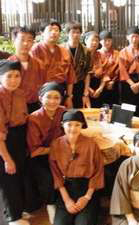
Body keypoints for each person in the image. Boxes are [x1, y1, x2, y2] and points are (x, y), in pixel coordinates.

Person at [49, 110, 104, 225]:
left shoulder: (91, 144)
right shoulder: (56, 144)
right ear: (62, 124)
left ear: (82, 126)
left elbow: (98, 172)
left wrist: (86, 198)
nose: (73, 129)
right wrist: (66, 200)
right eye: (69, 124)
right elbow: (56, 174)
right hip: (66, 188)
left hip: (87, 188)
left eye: (77, 125)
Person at [26, 82, 66, 224]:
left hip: (60, 153)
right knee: (49, 180)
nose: (52, 101)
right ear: (41, 98)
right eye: (48, 97)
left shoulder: (63, 112)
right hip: (39, 157)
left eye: (57, 98)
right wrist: (57, 149)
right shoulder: (33, 118)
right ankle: (51, 208)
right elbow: (35, 151)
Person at [0, 60, 29, 225]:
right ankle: (13, 218)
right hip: (4, 141)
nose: (13, 79)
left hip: (19, 136)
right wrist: (6, 158)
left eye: (17, 76)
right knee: (8, 177)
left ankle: (17, 212)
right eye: (9, 76)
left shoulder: (19, 93)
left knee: (17, 176)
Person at [30, 21, 75, 109]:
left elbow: (70, 76)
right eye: (50, 30)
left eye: (57, 30)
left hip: (61, 91)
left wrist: (69, 97)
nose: (54, 33)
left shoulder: (64, 51)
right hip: (42, 92)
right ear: (42, 33)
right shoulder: (35, 50)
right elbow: (31, 76)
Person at [9, 26, 46, 113]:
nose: (25, 43)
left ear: (33, 42)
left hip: (35, 107)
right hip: (13, 108)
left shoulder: (39, 64)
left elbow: (44, 87)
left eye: (29, 40)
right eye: (22, 40)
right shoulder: (7, 65)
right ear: (13, 41)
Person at [119, 26, 139, 118]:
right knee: (128, 109)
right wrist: (132, 84)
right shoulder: (123, 52)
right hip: (127, 83)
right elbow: (122, 70)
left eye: (137, 36)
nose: (134, 39)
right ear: (127, 37)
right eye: (132, 36)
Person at [64, 22, 91, 108]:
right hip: (65, 85)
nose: (75, 35)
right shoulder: (61, 49)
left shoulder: (86, 51)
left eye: (78, 32)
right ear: (67, 33)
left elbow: (87, 72)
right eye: (73, 32)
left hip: (79, 85)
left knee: (78, 111)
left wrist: (86, 92)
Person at [89, 30, 119, 108]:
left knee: (113, 107)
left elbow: (119, 69)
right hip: (100, 84)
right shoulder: (98, 53)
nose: (107, 43)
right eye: (104, 40)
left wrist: (113, 81)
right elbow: (102, 71)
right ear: (101, 42)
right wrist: (104, 84)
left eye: (109, 40)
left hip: (113, 84)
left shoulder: (117, 53)